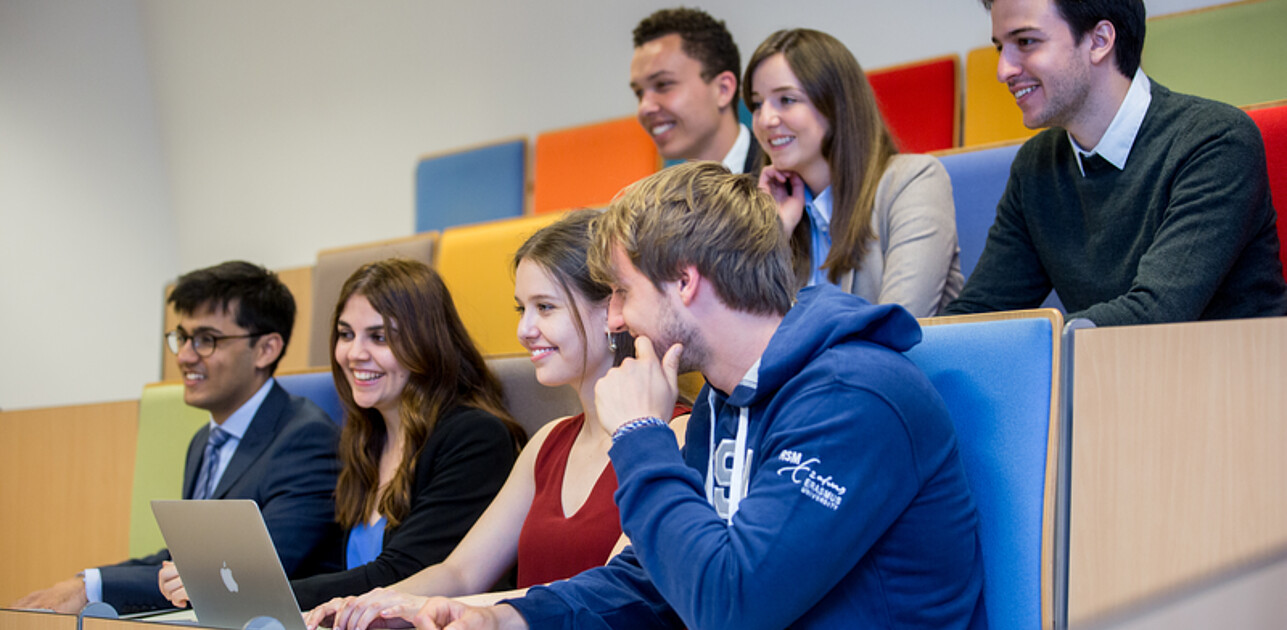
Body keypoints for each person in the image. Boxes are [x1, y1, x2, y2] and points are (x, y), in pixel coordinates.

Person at [373, 162, 985, 629]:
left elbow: (732, 606)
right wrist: (510, 616)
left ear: (685, 281)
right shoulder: (727, 399)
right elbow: (650, 581)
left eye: (620, 292)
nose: (612, 318)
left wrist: (641, 439)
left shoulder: (855, 398)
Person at [304, 211, 690, 630]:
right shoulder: (547, 442)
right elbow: (461, 573)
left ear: (611, 311)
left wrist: (467, 609)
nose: (525, 329)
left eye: (545, 307)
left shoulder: (675, 433)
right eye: (522, 309)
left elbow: (613, 588)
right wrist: (378, 602)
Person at [158, 259, 523, 610]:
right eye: (346, 335)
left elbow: (401, 574)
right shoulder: (365, 440)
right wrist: (214, 582)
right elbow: (334, 571)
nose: (354, 353)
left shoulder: (474, 438)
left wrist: (238, 591)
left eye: (379, 337)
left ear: (426, 343)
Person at [13, 261, 343, 615]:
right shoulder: (204, 441)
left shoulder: (307, 438)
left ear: (266, 349)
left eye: (206, 340)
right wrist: (86, 582)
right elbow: (180, 560)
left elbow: (239, 575)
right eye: (183, 338)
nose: (185, 356)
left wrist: (93, 587)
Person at [945, 0, 1287, 325]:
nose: (1003, 70)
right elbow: (981, 311)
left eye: (1026, 41)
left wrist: (1029, 336)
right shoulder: (1035, 166)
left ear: (1099, 40)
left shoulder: (1214, 142)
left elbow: (1154, 314)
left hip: (1235, 376)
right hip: (1116, 378)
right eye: (1000, 48)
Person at [747, 29, 964, 317]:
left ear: (836, 104)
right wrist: (772, 235)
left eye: (786, 100)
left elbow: (896, 327)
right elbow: (743, 341)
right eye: (758, 104)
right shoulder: (780, 209)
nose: (765, 120)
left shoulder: (913, 182)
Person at [630, 8, 761, 174]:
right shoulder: (660, 196)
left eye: (663, 84)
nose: (644, 108)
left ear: (723, 89)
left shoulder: (788, 176)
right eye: (639, 93)